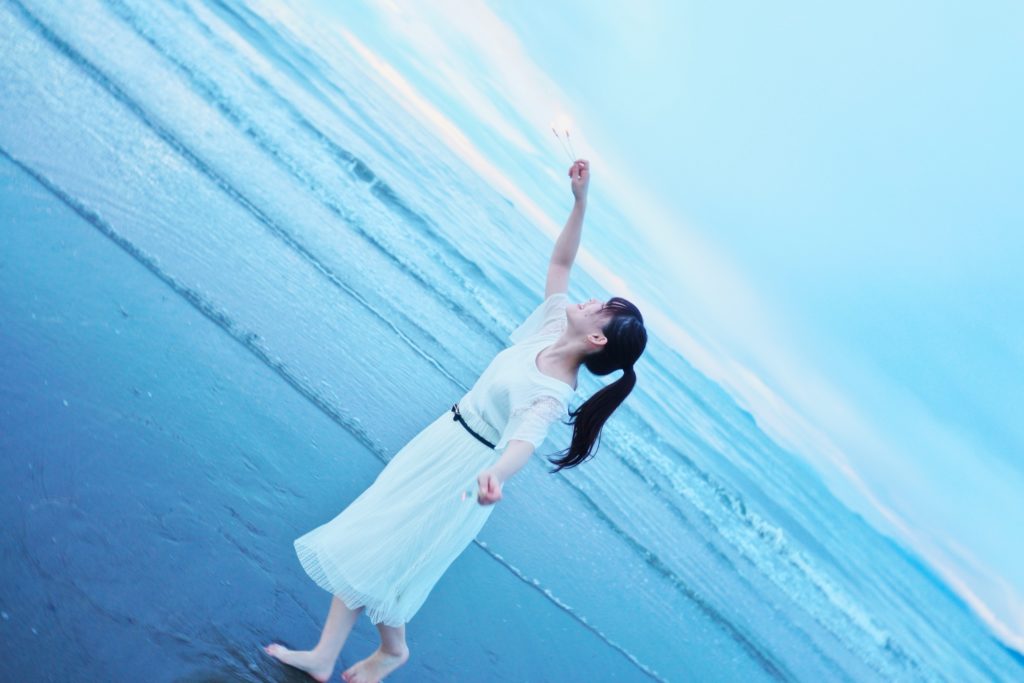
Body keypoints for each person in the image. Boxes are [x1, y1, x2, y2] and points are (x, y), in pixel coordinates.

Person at [263, 159, 647, 683]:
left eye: (603, 308)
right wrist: (580, 202)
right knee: (371, 530)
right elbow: (561, 261)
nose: (592, 299)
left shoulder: (554, 391)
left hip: (467, 471)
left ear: (597, 338)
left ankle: (392, 651)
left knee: (390, 552)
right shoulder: (550, 328)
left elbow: (523, 442)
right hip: (442, 438)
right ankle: (325, 656)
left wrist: (496, 477)